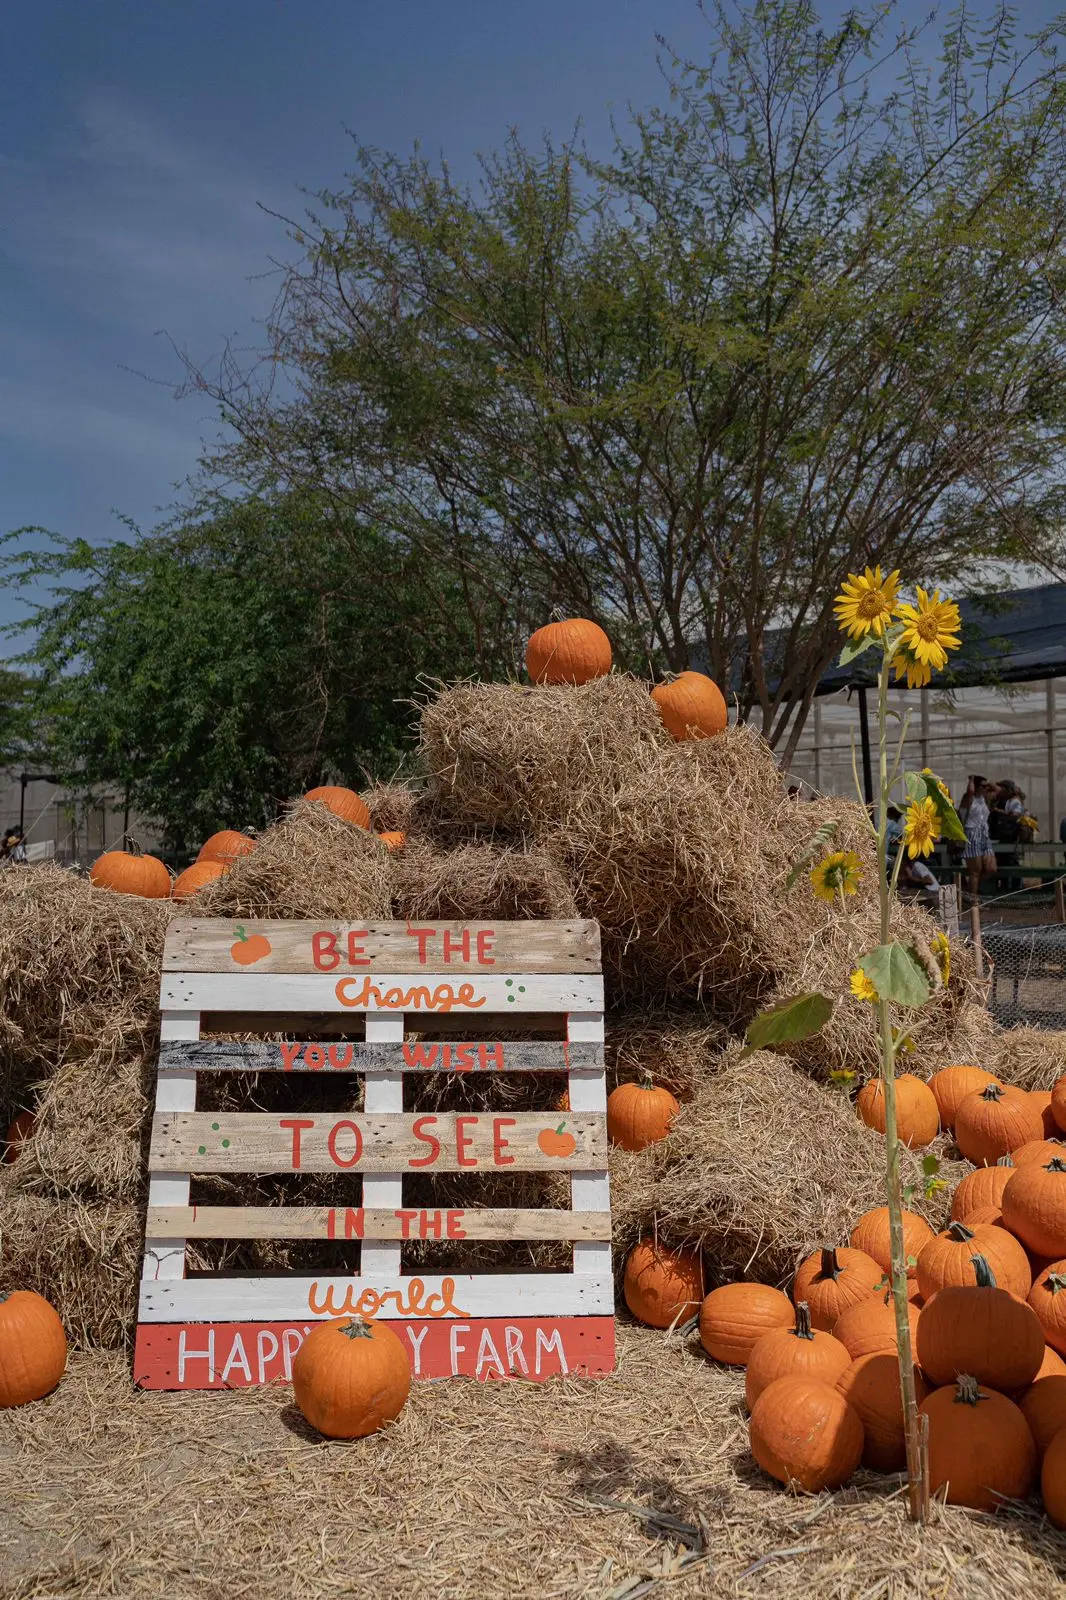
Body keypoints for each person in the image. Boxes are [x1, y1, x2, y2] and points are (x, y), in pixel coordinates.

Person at [959, 775, 997, 899]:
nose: (986, 788)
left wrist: (988, 784)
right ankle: (973, 900)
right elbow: (970, 791)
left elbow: (996, 791)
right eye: (982, 786)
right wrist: (971, 779)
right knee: (975, 871)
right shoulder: (969, 798)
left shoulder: (984, 799)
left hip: (984, 834)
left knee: (991, 868)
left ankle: (965, 891)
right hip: (972, 833)